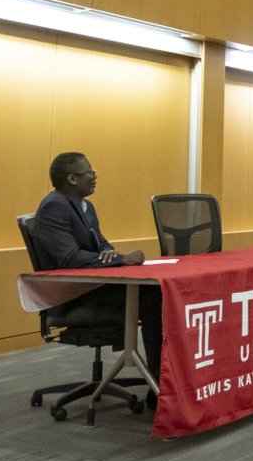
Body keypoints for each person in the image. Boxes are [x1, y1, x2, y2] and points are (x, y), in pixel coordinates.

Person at [30, 152, 162, 386]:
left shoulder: (86, 206)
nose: (94, 177)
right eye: (90, 172)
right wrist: (121, 259)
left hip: (93, 285)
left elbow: (102, 244)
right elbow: (69, 257)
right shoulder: (54, 207)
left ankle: (160, 380)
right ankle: (158, 386)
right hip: (74, 296)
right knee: (153, 298)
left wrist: (110, 254)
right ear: (72, 178)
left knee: (156, 292)